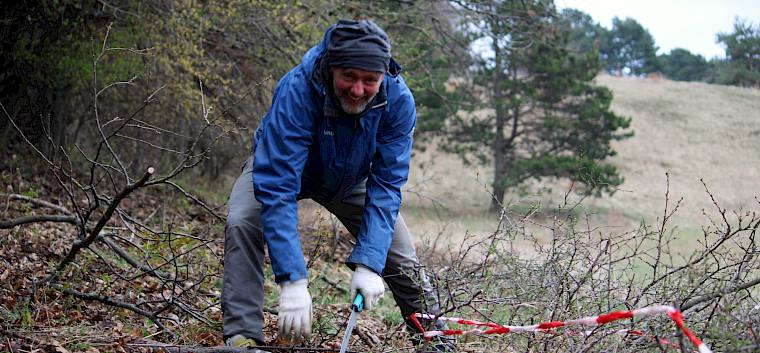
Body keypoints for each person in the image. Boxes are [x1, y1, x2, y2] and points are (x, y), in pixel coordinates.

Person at [221, 19, 453, 352]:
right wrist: (293, 280)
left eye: (369, 80)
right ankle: (243, 338)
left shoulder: (398, 101)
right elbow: (278, 185)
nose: (358, 90)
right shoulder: (297, 89)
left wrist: (370, 263)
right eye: (349, 77)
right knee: (242, 220)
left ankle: (437, 343)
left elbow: (387, 185)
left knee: (401, 258)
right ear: (332, 68)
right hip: (282, 168)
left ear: (383, 76)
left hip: (351, 179)